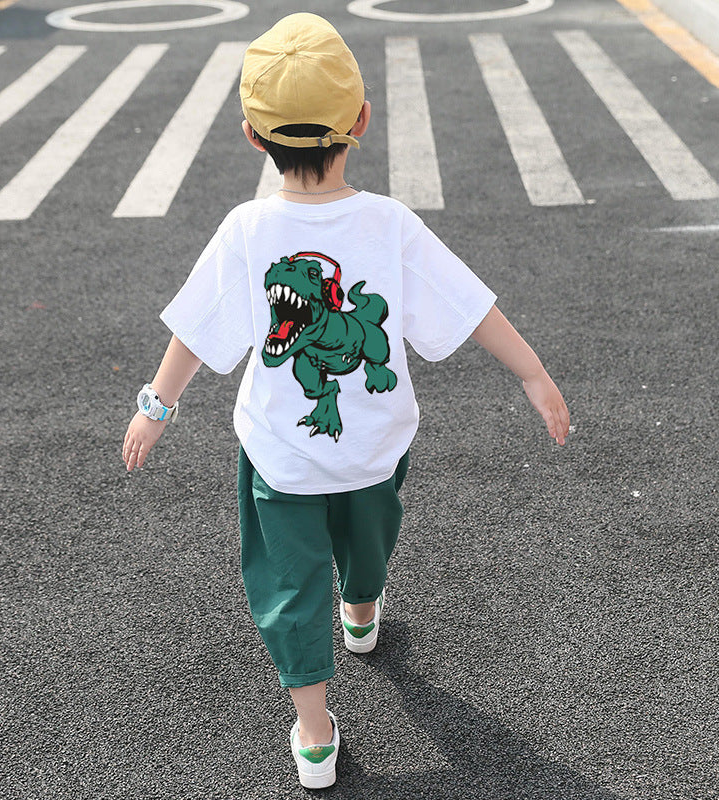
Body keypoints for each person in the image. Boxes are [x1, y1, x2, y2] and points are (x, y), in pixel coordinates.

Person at [122, 12, 569, 789]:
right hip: (373, 449)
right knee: (369, 540)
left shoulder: (246, 227)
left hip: (280, 459)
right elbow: (469, 307)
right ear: (361, 121)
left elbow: (197, 330)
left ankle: (315, 730)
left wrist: (157, 408)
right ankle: (361, 609)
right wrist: (532, 373)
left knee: (289, 589)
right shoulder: (388, 222)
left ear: (253, 136)